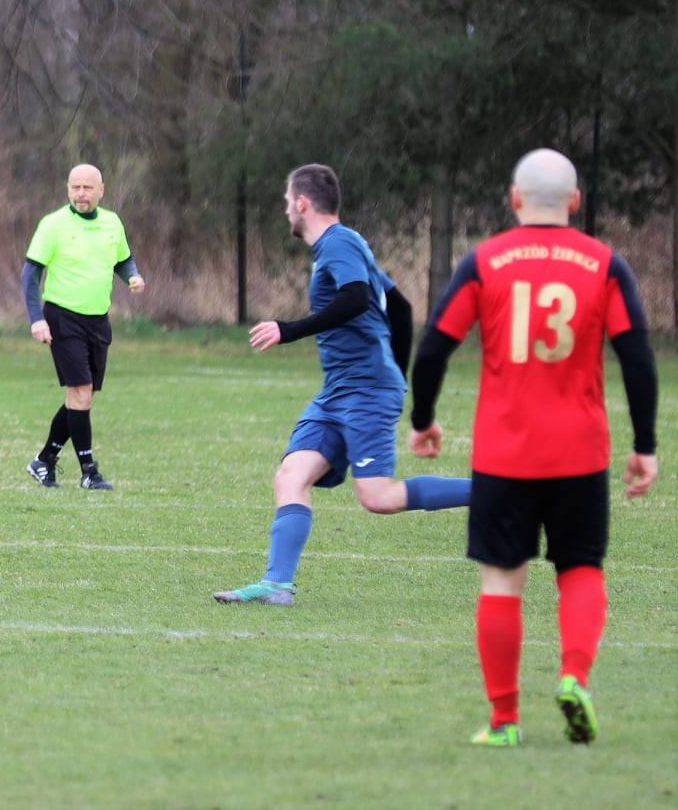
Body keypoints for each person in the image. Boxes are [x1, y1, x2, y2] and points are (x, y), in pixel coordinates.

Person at [407, 149, 658, 748]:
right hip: (580, 453)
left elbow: (434, 347)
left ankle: (504, 721)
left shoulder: (484, 261)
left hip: (504, 455)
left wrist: (423, 419)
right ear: (576, 202)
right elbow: (637, 357)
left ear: (515, 200)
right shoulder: (605, 264)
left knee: (501, 581)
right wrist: (645, 444)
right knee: (580, 569)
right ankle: (574, 677)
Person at [213, 163, 470, 606]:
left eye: (287, 202)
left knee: (378, 496)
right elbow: (401, 308)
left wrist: (290, 330)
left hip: (365, 389)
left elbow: (355, 298)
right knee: (291, 475)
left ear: (302, 203)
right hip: (340, 390)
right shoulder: (344, 245)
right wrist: (398, 378)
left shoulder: (339, 243)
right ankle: (277, 585)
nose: (285, 210)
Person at [21, 164, 146, 490]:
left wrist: (132, 276)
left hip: (98, 320)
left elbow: (123, 259)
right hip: (62, 318)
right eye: (75, 187)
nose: (80, 194)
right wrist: (36, 319)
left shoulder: (112, 223)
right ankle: (89, 472)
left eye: (87, 188)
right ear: (67, 188)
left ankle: (44, 460)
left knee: (81, 396)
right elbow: (30, 274)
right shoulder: (53, 224)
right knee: (80, 392)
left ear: (100, 190)